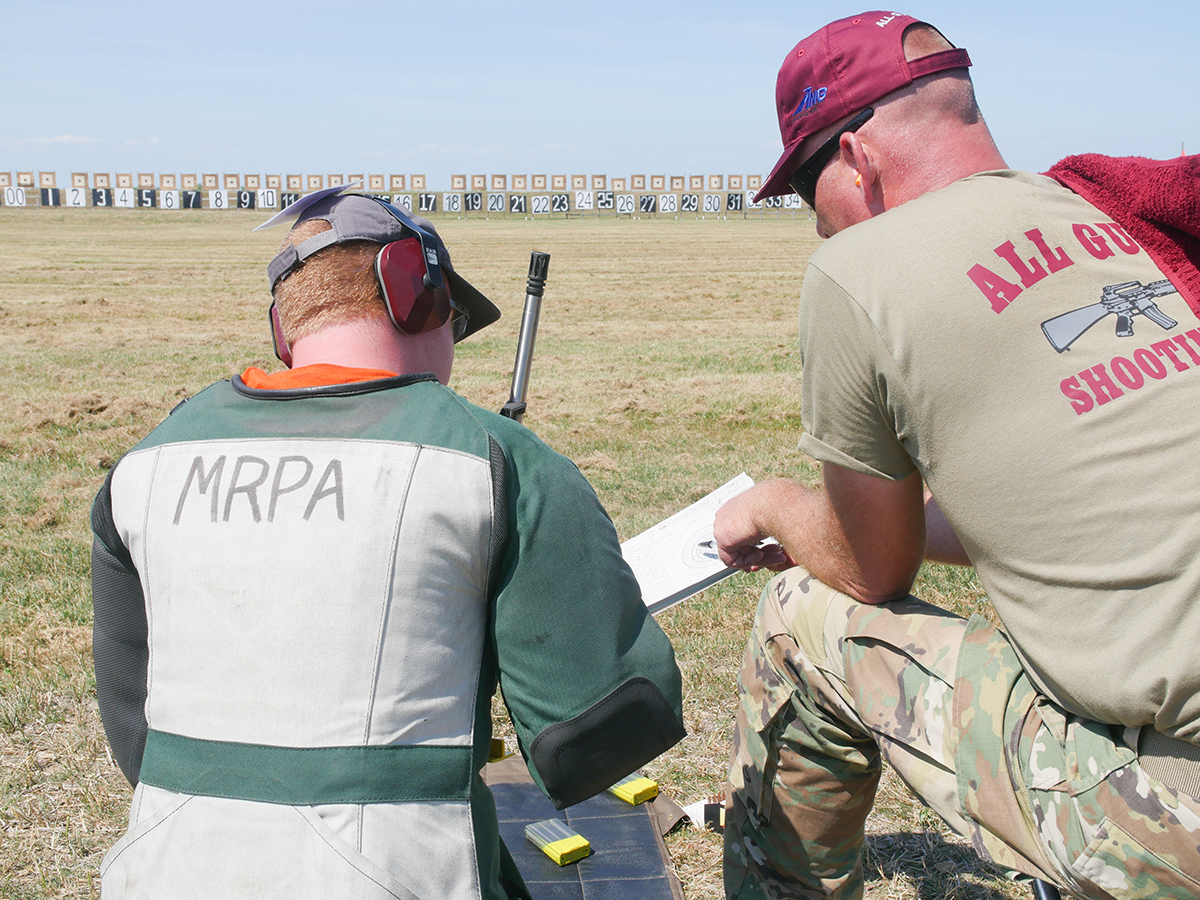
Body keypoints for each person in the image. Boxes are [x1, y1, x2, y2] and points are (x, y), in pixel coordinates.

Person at [714, 11, 1200, 900]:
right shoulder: (1108, 220)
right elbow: (1061, 500)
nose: (816, 225)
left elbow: (871, 567)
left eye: (803, 190)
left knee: (797, 615)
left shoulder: (855, 269)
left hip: (1179, 804)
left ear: (855, 160)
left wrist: (778, 504)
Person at [90, 189, 686, 899]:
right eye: (454, 322)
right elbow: (593, 739)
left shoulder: (147, 463)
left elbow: (136, 736)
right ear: (418, 294)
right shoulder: (495, 460)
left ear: (286, 328)